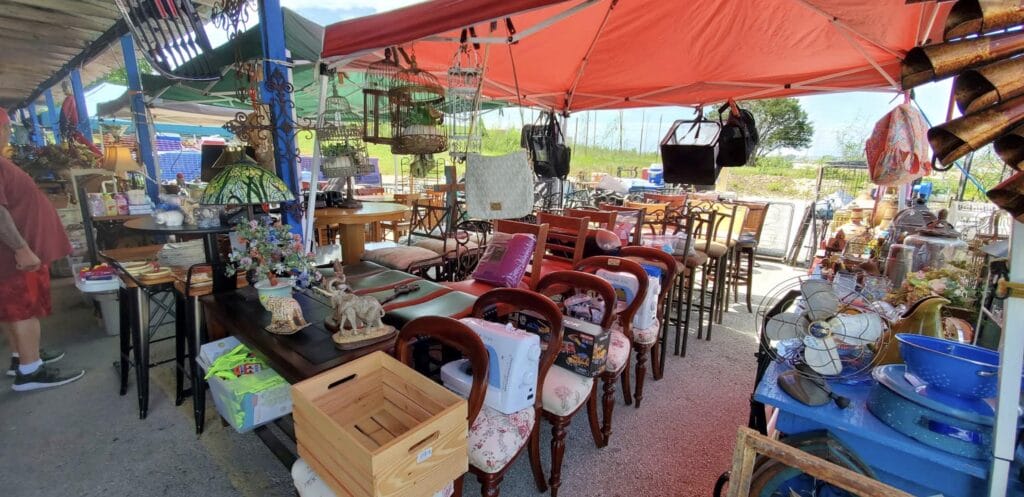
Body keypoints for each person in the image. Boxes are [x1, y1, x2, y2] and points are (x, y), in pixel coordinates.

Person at [0, 108, 84, 391]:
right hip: (16, 255)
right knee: (24, 310)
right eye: (6, 127)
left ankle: (22, 357)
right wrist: (21, 248)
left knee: (13, 310)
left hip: (16, 253)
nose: (8, 133)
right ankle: (30, 371)